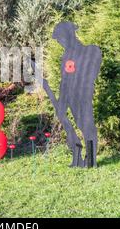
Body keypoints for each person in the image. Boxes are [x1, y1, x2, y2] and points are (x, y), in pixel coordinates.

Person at [37, 22, 102, 167]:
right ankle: (78, 159)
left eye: (60, 38)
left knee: (87, 126)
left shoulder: (90, 51)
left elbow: (87, 76)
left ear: (68, 36)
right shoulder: (66, 56)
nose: (59, 42)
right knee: (80, 125)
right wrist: (62, 104)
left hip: (83, 97)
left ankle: (91, 161)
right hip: (71, 98)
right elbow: (64, 82)